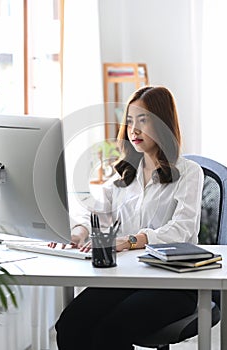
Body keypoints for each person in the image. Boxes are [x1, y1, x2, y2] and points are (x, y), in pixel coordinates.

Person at [55, 86, 204, 350]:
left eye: (143, 120)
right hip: (127, 278)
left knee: (111, 332)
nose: (133, 130)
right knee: (70, 324)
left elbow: (182, 229)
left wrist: (131, 240)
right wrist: (79, 231)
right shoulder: (127, 174)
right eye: (130, 120)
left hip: (174, 283)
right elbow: (96, 214)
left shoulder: (189, 172)